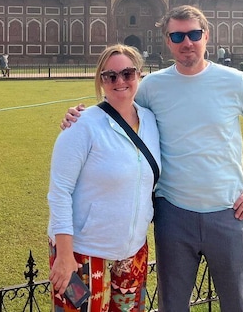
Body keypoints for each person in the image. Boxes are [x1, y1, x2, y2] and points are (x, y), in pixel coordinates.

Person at [63, 6, 243, 312]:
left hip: (227, 213)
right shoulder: (153, 86)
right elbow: (117, 107)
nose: (187, 42)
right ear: (167, 41)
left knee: (237, 304)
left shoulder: (233, 81)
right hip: (173, 215)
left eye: (194, 34)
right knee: (173, 305)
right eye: (178, 36)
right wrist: (80, 116)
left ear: (206, 36)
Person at [48, 44, 160, 312]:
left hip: (132, 249)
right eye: (111, 76)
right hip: (82, 252)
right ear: (101, 80)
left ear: (139, 75)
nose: (120, 81)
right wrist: (64, 255)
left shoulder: (151, 122)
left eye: (128, 73)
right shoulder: (82, 125)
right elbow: (59, 191)